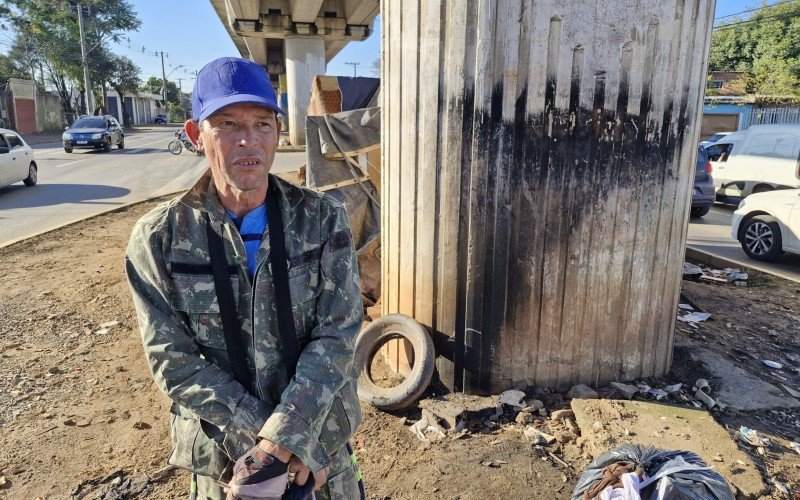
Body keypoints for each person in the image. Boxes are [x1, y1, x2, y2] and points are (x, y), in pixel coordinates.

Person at [125, 57, 363, 499]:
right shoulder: (160, 238)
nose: (248, 140)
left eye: (262, 124)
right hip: (226, 463)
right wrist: (272, 445)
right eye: (228, 124)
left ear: (278, 132)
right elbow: (171, 359)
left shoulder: (322, 219)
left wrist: (288, 440)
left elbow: (339, 333)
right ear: (196, 135)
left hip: (321, 456)